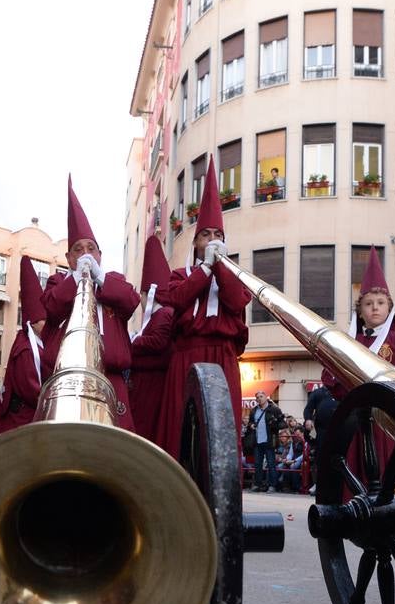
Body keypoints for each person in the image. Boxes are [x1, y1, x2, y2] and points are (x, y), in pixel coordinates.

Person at [157, 156, 250, 458]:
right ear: (195, 242)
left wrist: (221, 268)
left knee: (221, 432)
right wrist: (206, 268)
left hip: (222, 356)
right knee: (181, 429)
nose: (212, 241)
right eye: (206, 236)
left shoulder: (234, 275)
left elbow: (236, 302)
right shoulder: (181, 274)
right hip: (186, 355)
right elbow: (178, 299)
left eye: (218, 236)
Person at [41, 176, 140, 431]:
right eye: (78, 249)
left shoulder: (113, 281)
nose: (85, 254)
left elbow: (131, 301)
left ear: (100, 255)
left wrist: (98, 277)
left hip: (113, 381)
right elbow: (51, 307)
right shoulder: (57, 283)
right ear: (69, 258)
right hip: (68, 384)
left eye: (91, 248)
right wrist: (76, 278)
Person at [321, 248, 395, 399]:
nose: (375, 307)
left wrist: (386, 373)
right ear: (359, 311)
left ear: (389, 309)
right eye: (368, 303)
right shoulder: (349, 341)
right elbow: (330, 373)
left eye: (381, 303)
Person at [129, 235, 175, 451]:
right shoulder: (157, 316)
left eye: (143, 294)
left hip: (153, 384)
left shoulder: (164, 314)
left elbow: (158, 342)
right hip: (144, 383)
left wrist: (133, 342)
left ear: (150, 294)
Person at [0, 255, 49, 435]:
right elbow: (33, 392)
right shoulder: (26, 349)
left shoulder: (35, 344)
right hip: (19, 423)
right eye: (43, 321)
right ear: (32, 323)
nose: (47, 325)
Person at [244, 390, 280, 492]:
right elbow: (250, 422)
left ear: (266, 397)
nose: (259, 399)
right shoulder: (254, 410)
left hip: (269, 440)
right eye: (257, 397)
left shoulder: (274, 409)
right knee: (257, 464)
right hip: (257, 440)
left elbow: (281, 422)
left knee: (271, 464)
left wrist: (274, 423)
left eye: (261, 396)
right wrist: (251, 425)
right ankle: (257, 485)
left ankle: (273, 485)